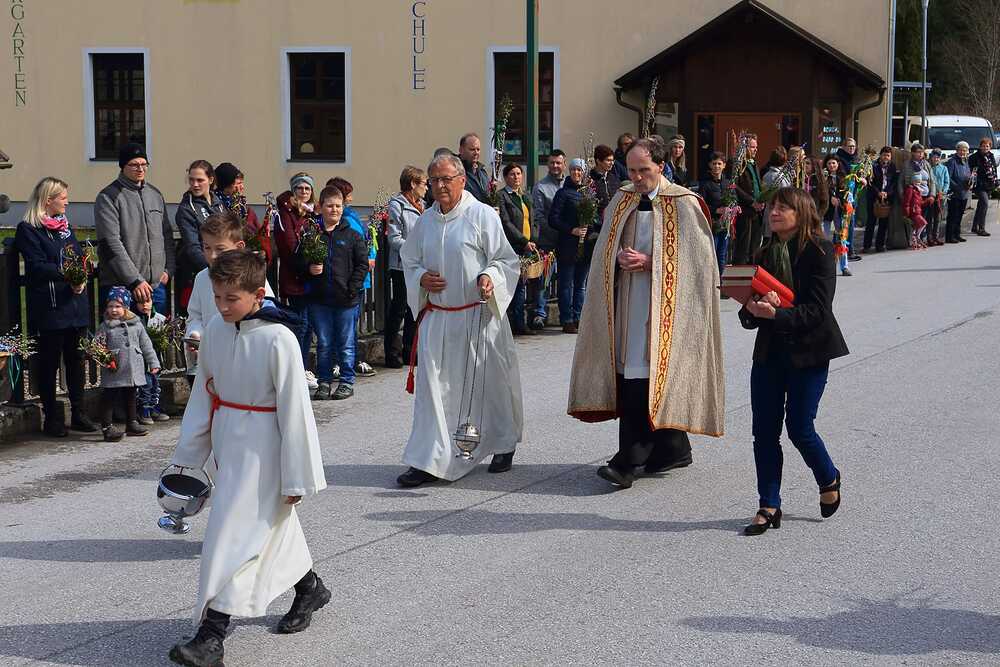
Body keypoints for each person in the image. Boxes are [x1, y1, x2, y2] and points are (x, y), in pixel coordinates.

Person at [167, 250, 328, 667]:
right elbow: (205, 393)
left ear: (258, 295)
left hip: (265, 450)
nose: (222, 307)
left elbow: (295, 411)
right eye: (217, 297)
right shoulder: (216, 332)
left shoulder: (279, 339)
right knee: (266, 530)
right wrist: (189, 455)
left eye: (231, 299)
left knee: (232, 536)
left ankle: (211, 636)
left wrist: (296, 476)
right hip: (228, 443)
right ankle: (310, 587)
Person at [568, 137, 724, 489]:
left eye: (644, 170)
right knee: (633, 377)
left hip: (664, 311)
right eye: (632, 170)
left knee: (642, 380)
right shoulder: (622, 198)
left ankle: (628, 462)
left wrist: (652, 262)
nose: (636, 177)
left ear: (661, 167)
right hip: (627, 303)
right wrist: (617, 259)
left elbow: (701, 266)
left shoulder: (684, 203)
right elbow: (604, 250)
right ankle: (673, 449)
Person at [396, 154, 523, 487]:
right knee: (432, 392)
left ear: (462, 180)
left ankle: (502, 443)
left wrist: (489, 276)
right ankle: (428, 459)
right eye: (434, 180)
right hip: (439, 319)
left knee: (489, 386)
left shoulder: (481, 215)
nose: (439, 186)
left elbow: (505, 260)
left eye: (446, 179)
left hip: (477, 317)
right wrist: (421, 277)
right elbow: (409, 259)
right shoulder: (425, 221)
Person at [738, 187, 848, 535]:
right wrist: (752, 309)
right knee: (763, 432)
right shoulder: (764, 252)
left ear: (801, 213)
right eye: (772, 207)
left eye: (783, 208)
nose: (774, 213)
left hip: (810, 351)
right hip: (770, 353)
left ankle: (828, 477)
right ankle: (768, 504)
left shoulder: (820, 251)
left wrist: (776, 314)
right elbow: (748, 314)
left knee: (800, 428)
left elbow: (818, 310)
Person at [14, 177, 97, 437]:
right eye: (63, 198)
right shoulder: (28, 229)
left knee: (76, 361)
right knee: (49, 364)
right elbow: (37, 265)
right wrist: (68, 274)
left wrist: (81, 277)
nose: (67, 202)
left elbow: (76, 256)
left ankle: (79, 413)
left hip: (74, 303)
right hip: (51, 306)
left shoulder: (64, 226)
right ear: (48, 200)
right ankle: (51, 417)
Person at [185, 212, 276, 386]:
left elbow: (268, 310)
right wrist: (196, 334)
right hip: (212, 355)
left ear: (239, 246)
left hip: (246, 356)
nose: (213, 256)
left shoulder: (249, 276)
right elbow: (195, 315)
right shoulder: (202, 278)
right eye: (207, 248)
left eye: (220, 249)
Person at [300, 186, 368, 401]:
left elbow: (362, 264)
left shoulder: (352, 235)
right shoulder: (312, 235)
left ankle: (346, 382)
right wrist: (309, 268)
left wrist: (352, 288)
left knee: (346, 343)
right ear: (320, 207)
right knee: (324, 343)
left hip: (346, 300)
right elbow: (298, 261)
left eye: (338, 206)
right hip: (320, 300)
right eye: (330, 206)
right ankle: (324, 381)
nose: (334, 210)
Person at [94, 142, 175, 313]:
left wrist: (168, 269)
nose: (140, 169)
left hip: (156, 287)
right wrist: (134, 280)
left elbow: (166, 235)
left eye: (144, 164)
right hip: (122, 289)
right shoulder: (108, 197)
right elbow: (110, 243)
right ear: (123, 166)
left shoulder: (155, 194)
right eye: (134, 164)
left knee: (157, 331)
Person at [327, 177, 377, 378]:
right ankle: (338, 361)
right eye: (348, 194)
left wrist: (370, 254)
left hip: (359, 278)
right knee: (339, 324)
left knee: (352, 323)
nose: (351, 198)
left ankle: (352, 359)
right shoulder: (340, 221)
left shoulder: (352, 216)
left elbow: (364, 240)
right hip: (346, 279)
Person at [96, 287, 160, 442]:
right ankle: (107, 427)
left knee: (131, 395)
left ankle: (132, 423)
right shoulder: (105, 326)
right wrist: (104, 357)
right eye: (110, 306)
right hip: (114, 368)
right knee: (109, 397)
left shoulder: (136, 324)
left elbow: (146, 344)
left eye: (118, 306)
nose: (114, 310)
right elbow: (97, 345)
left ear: (126, 307)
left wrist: (153, 362)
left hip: (133, 368)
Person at [274, 172, 319, 390]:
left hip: (311, 278)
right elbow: (289, 247)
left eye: (307, 188)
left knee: (308, 324)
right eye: (299, 188)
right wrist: (306, 266)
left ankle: (302, 366)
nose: (303, 192)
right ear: (293, 190)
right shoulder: (285, 214)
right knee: (301, 324)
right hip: (295, 276)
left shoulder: (312, 213)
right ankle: (297, 368)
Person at [385, 166, 426, 368]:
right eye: (424, 184)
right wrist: (414, 250)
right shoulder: (397, 205)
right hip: (401, 266)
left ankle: (411, 351)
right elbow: (394, 238)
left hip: (419, 266)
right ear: (412, 184)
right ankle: (392, 353)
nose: (426, 188)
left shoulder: (424, 206)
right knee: (399, 308)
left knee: (415, 309)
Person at [549, 158, 593, 334]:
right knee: (566, 284)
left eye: (580, 170)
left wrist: (589, 226)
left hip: (584, 246)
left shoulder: (588, 193)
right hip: (567, 245)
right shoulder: (563, 193)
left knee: (581, 284)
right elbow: (553, 219)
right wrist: (571, 229)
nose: (576, 173)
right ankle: (567, 319)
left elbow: (595, 218)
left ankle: (578, 317)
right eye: (574, 169)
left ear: (584, 173)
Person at [175, 160, 225, 310]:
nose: (195, 184)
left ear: (211, 180)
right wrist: (215, 270)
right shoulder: (186, 209)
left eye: (200, 180)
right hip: (196, 274)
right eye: (191, 180)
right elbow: (193, 248)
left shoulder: (218, 203)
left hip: (222, 272)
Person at [496, 162, 538, 335]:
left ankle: (522, 322)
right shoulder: (502, 196)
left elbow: (534, 219)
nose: (516, 177)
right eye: (512, 174)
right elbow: (506, 222)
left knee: (524, 285)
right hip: (513, 246)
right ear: (506, 177)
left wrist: (533, 239)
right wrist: (522, 240)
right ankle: (513, 323)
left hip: (527, 246)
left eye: (519, 173)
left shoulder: (525, 195)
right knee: (513, 286)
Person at [530, 149, 567, 328]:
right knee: (544, 279)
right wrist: (557, 231)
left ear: (564, 164)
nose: (555, 166)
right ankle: (540, 313)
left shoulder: (570, 185)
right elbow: (538, 216)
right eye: (552, 162)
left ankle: (567, 314)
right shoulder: (541, 187)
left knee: (566, 279)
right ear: (547, 164)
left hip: (568, 241)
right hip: (548, 240)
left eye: (558, 163)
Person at [215, 162, 270, 263]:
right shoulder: (216, 206)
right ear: (227, 185)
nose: (242, 187)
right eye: (238, 183)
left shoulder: (245, 208)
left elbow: (257, 233)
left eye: (242, 183)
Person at [133, 297, 170, 425]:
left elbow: (166, 337)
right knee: (145, 385)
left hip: (156, 358)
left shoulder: (160, 319)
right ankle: (144, 410)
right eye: (140, 302)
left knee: (155, 384)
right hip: (142, 360)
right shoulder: (135, 320)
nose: (144, 305)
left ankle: (153, 407)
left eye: (147, 301)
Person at [732, 134, 764, 265]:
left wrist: (762, 199)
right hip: (744, 211)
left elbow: (757, 185)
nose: (755, 149)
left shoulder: (754, 163)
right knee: (743, 247)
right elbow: (734, 186)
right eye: (752, 147)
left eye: (756, 147)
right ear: (744, 147)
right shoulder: (737, 164)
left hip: (756, 212)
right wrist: (751, 202)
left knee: (754, 247)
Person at [699, 151, 732, 278]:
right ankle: (711, 281)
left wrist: (732, 208)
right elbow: (701, 204)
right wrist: (716, 210)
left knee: (722, 255)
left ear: (724, 165)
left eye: (719, 163)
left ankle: (720, 282)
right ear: (710, 165)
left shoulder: (728, 183)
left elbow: (734, 198)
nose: (716, 166)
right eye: (714, 164)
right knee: (711, 254)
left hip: (725, 225)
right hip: (712, 225)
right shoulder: (705, 184)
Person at [864, 146, 898, 253]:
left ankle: (880, 245)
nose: (886, 157)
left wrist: (887, 193)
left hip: (886, 197)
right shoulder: (874, 165)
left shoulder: (892, 166)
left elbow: (893, 182)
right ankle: (867, 245)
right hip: (874, 196)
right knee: (871, 222)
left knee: (884, 223)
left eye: (888, 155)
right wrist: (878, 192)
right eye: (884, 155)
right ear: (880, 155)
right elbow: (870, 182)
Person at [822, 154, 851, 275]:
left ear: (838, 164)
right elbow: (820, 192)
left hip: (840, 212)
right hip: (826, 212)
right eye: (829, 163)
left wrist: (840, 200)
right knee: (825, 239)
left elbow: (848, 192)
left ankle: (844, 266)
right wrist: (830, 198)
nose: (831, 165)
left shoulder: (843, 177)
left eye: (833, 163)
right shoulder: (823, 177)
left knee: (842, 239)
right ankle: (826, 266)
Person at [902, 143, 935, 249]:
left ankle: (921, 238)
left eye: (922, 152)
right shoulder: (907, 165)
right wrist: (902, 196)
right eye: (918, 152)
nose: (921, 154)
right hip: (913, 197)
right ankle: (914, 239)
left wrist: (932, 195)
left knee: (924, 219)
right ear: (912, 153)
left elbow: (932, 181)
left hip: (926, 196)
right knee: (916, 220)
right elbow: (901, 181)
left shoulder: (926, 164)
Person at [967, 137, 997, 236]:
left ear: (990, 147)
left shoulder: (991, 156)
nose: (985, 148)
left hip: (989, 184)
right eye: (983, 146)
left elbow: (993, 169)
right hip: (979, 185)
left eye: (987, 146)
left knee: (981, 205)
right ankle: (981, 228)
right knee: (984, 203)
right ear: (980, 147)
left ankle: (974, 227)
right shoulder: (974, 157)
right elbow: (972, 172)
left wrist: (995, 181)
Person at [945, 141, 973, 243]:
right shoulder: (952, 162)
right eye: (961, 150)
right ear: (957, 150)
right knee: (953, 215)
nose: (963, 152)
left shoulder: (966, 162)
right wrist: (956, 187)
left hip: (964, 193)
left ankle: (957, 234)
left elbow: (968, 175)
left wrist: (970, 182)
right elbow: (948, 177)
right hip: (954, 193)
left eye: (965, 150)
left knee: (960, 215)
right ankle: (950, 236)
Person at [591, 144, 622, 220]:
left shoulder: (615, 179)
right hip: (597, 223)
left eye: (612, 160)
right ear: (598, 161)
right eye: (608, 160)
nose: (612, 163)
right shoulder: (589, 179)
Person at [458, 133, 491, 204]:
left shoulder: (482, 171)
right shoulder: (455, 171)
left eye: (478, 149)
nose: (476, 153)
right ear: (461, 150)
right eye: (472, 149)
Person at [927, 149, 950, 246]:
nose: (936, 159)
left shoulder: (944, 168)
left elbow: (947, 182)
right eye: (934, 157)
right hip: (930, 195)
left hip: (940, 196)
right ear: (931, 157)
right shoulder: (928, 167)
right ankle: (929, 238)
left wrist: (943, 192)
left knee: (938, 218)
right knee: (929, 217)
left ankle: (936, 237)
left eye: (938, 157)